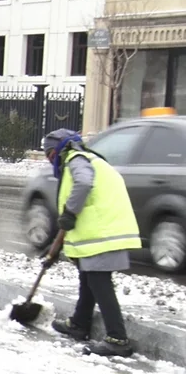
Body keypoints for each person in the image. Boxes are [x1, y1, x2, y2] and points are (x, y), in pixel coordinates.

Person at [42, 128, 141, 357]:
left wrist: (69, 212)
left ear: (59, 149)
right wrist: (57, 247)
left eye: (50, 154)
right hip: (101, 230)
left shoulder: (77, 159)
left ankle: (118, 339)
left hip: (103, 232)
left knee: (99, 283)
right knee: (88, 278)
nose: (50, 160)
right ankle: (79, 324)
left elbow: (84, 184)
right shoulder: (86, 159)